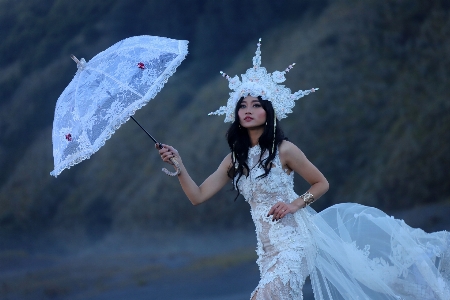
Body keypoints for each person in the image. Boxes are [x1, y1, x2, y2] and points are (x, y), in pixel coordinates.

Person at [156, 39, 450, 300]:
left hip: (295, 242)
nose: (247, 109)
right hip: (267, 249)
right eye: (242, 105)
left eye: (256, 105)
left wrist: (294, 204)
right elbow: (197, 195)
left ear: (268, 112)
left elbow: (321, 183)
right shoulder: (234, 159)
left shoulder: (285, 149)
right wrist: (179, 165)